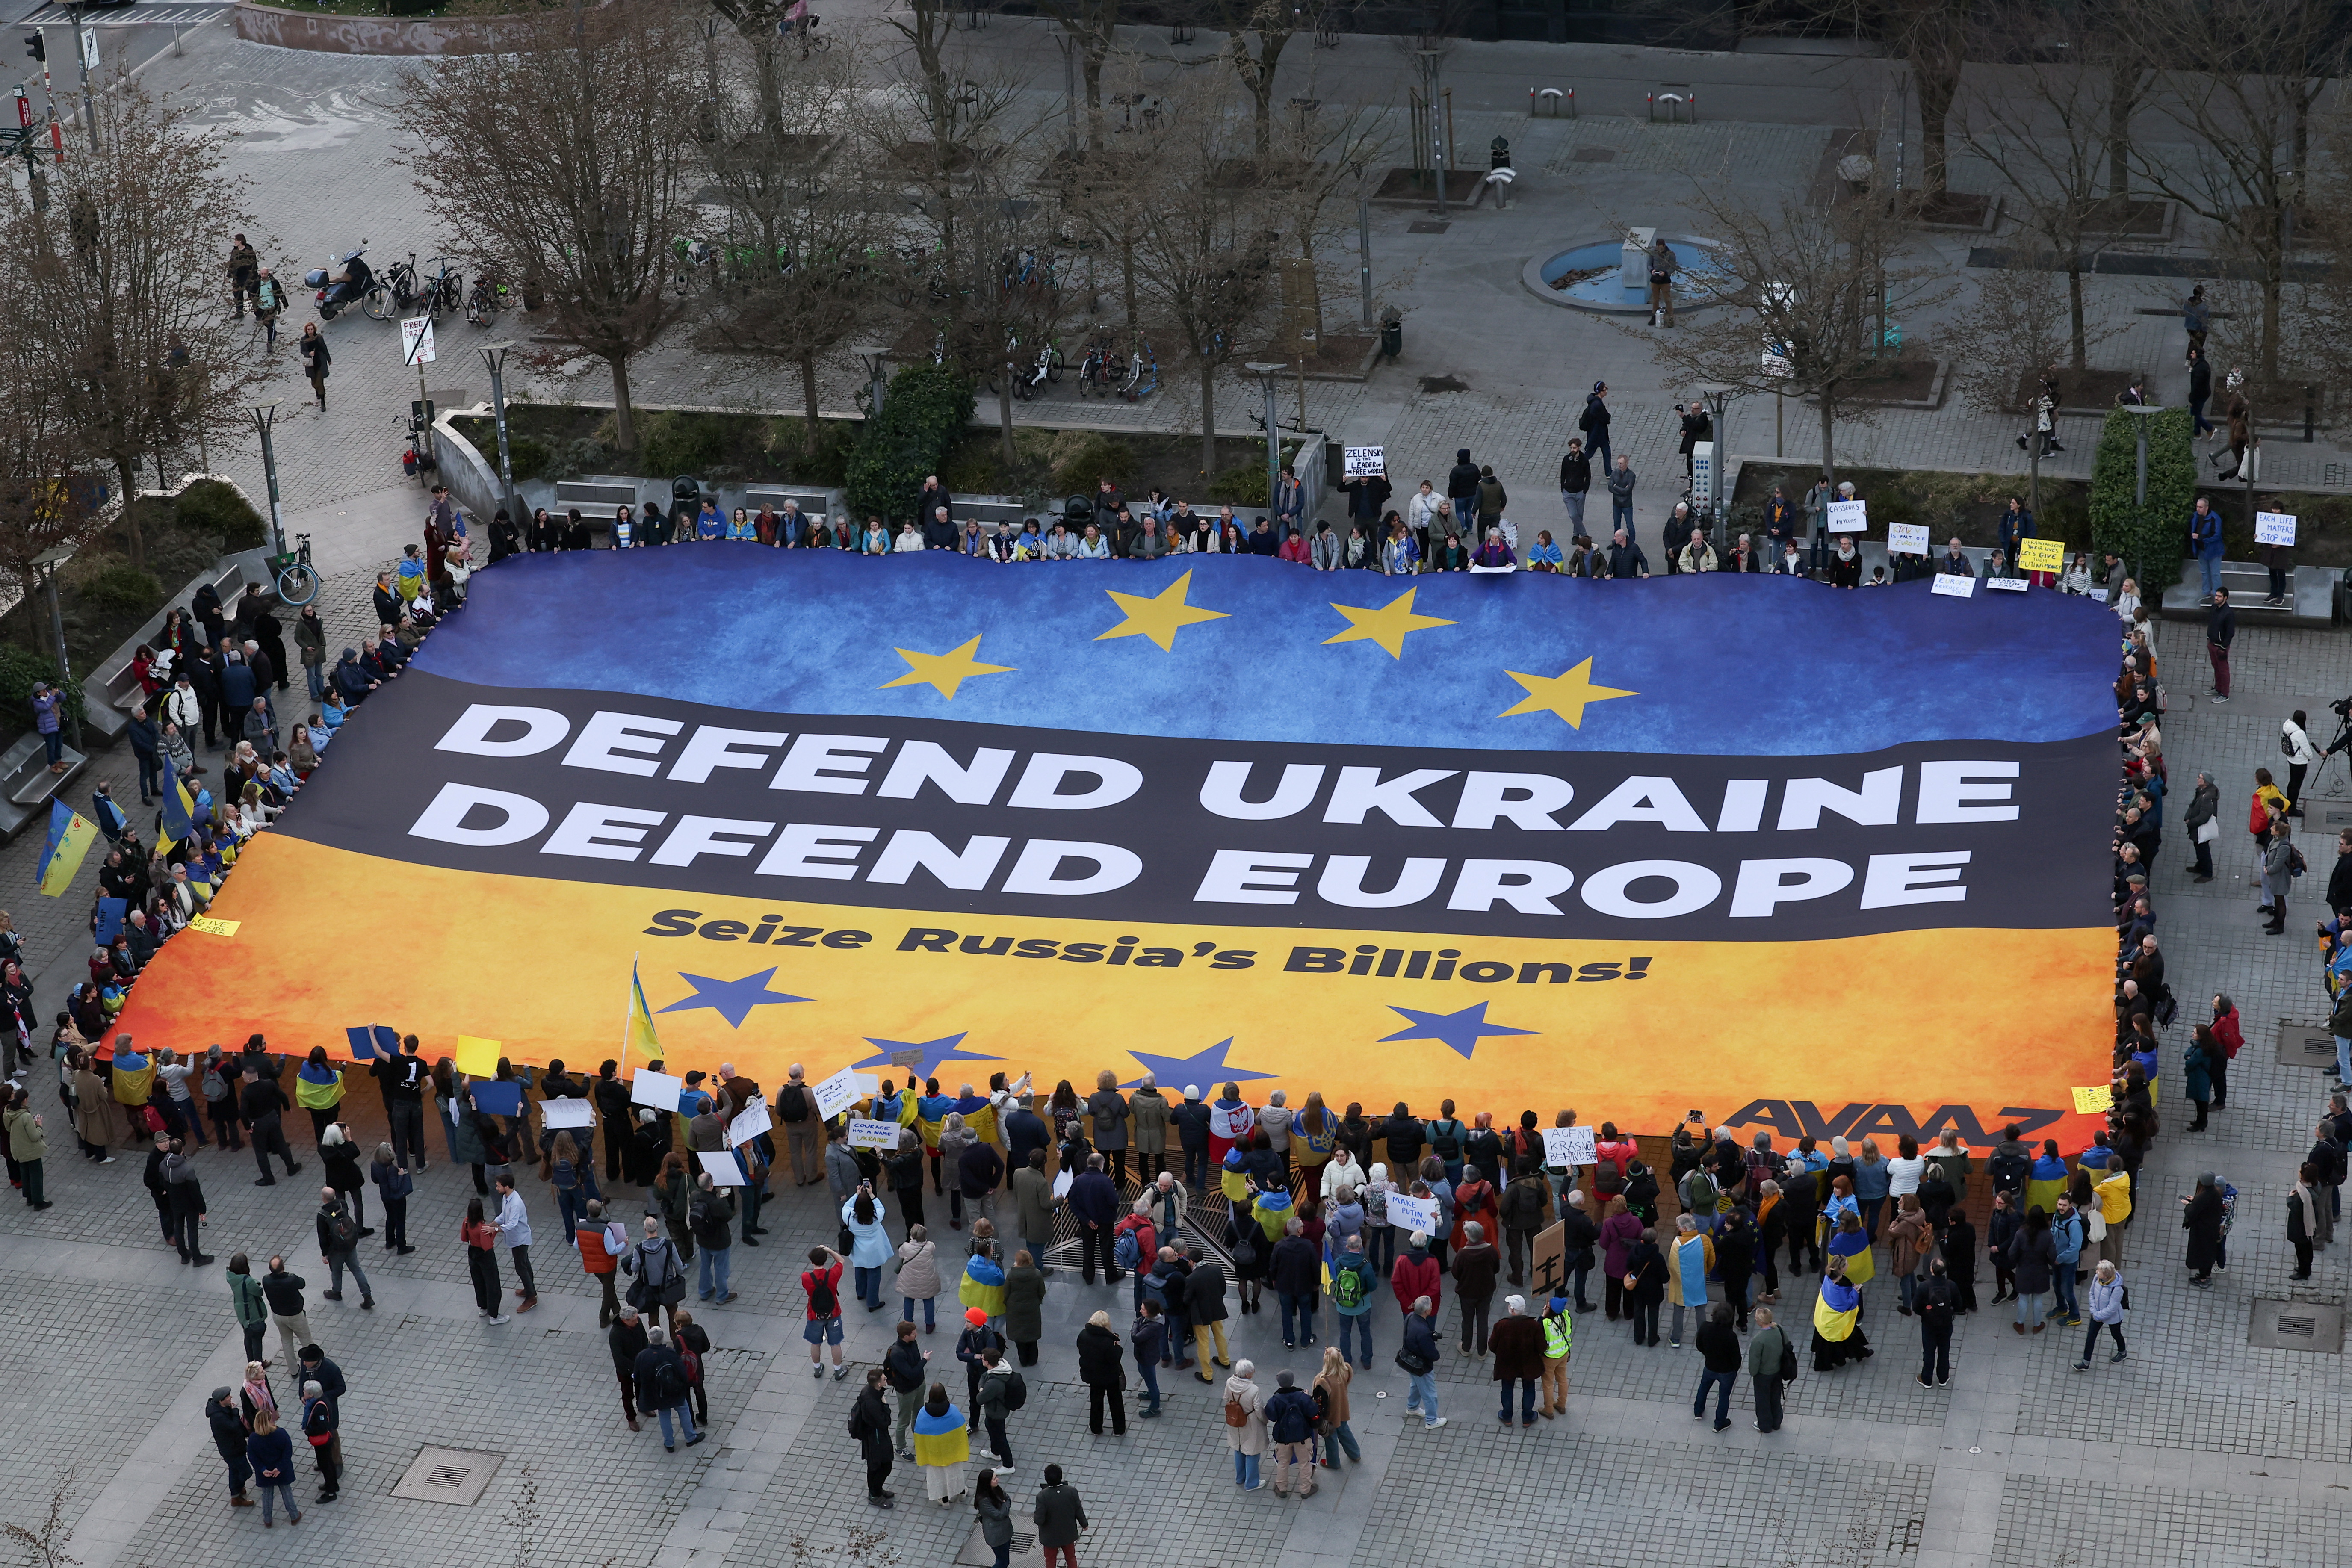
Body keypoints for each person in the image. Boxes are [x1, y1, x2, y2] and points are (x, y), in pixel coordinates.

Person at [635, 1325, 703, 1452]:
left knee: (664, 1414)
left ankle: (669, 1443)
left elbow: (638, 1378)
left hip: (658, 1393)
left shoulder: (643, 1356)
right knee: (683, 1410)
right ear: (662, 1339)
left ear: (650, 1339)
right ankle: (690, 1437)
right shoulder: (669, 1353)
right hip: (674, 1390)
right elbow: (681, 1371)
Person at [313, 1185, 374, 1310]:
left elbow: (323, 1237)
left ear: (323, 1198)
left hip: (336, 1249)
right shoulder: (342, 1204)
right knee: (357, 1270)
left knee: (336, 1271)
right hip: (349, 1242)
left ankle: (336, 1293)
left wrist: (325, 1254)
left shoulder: (323, 1215)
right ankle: (367, 1296)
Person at [245, 1407, 300, 1528]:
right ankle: (294, 1516)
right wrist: (280, 1468)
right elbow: (287, 1452)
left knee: (267, 1495)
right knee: (287, 1493)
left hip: (266, 1473)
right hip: (282, 1471)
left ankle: (268, 1520)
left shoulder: (254, 1439)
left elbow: (252, 1457)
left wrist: (263, 1469)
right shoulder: (281, 1434)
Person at [851, 1368, 898, 1507]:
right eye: (884, 1379)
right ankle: (874, 1494)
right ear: (878, 1385)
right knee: (882, 1466)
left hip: (873, 1435)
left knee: (876, 1466)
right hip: (876, 1438)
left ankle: (877, 1490)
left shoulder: (868, 1392)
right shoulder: (873, 1402)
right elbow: (885, 1422)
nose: (886, 1379)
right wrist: (885, 1405)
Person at [1075, 1309, 1126, 1436]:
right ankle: (1119, 1429)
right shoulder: (1108, 1342)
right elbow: (1114, 1359)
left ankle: (1096, 1427)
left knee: (1096, 1401)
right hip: (1110, 1376)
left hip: (1093, 1375)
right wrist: (1117, 1346)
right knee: (1116, 1402)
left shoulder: (1083, 1335)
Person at [1399, 1296, 1447, 1430]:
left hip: (1410, 1361)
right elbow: (1431, 1353)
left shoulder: (1410, 1317)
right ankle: (1432, 1421)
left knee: (1416, 1384)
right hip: (1421, 1366)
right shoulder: (1423, 1332)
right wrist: (1436, 1356)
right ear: (1427, 1312)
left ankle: (1412, 1407)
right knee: (1430, 1394)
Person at [802, 1243, 849, 1378]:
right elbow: (841, 1261)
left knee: (815, 1343)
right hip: (833, 1314)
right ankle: (838, 1370)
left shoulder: (806, 1277)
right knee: (835, 1344)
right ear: (825, 1260)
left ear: (811, 1261)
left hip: (814, 1315)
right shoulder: (833, 1275)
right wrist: (828, 1250)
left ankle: (817, 1369)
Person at [207, 1385, 257, 1509]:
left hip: (234, 1447)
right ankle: (236, 1495)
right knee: (246, 1472)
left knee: (235, 1469)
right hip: (232, 1450)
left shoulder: (221, 1409)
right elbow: (234, 1426)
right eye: (228, 1397)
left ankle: (237, 1491)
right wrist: (235, 1411)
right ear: (221, 1401)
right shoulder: (218, 1417)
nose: (231, 1398)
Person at [1221, 1358, 1269, 1488]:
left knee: (1238, 1448)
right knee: (1252, 1451)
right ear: (1248, 1375)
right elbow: (1259, 1410)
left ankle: (1240, 1478)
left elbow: (1226, 1398)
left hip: (1235, 1420)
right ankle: (1252, 1483)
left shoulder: (1229, 1382)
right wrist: (1265, 1421)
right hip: (1250, 1422)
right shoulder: (1254, 1390)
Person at [2073, 1260, 2129, 1369]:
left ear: (2106, 1275)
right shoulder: (2097, 1279)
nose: (2096, 1272)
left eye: (2099, 1271)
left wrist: (2098, 1316)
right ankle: (2086, 1363)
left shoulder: (2117, 1289)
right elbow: (2092, 1294)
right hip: (2097, 1315)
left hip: (2112, 1317)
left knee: (2116, 1334)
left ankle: (2123, 1352)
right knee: (2090, 1338)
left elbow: (2112, 1308)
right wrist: (2094, 1312)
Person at [1747, 1305, 1791, 1432]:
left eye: (1756, 1318)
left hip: (1763, 1376)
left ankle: (1765, 1426)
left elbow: (1754, 1362)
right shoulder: (1779, 1330)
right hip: (1778, 1372)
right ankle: (1777, 1423)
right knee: (1775, 1398)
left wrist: (1754, 1373)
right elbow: (1787, 1345)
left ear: (1761, 1321)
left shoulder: (1758, 1340)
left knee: (1763, 1401)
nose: (1755, 1320)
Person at [2207, 586, 2234, 703]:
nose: (2217, 598)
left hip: (2220, 646)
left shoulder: (2228, 614)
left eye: (2219, 596)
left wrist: (2223, 647)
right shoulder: (2214, 608)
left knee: (2223, 670)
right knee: (2216, 666)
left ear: (2225, 598)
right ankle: (2218, 688)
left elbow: (2230, 632)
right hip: (2212, 643)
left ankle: (2225, 693)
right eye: (2216, 596)